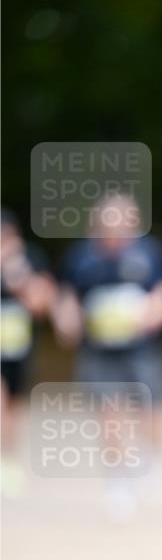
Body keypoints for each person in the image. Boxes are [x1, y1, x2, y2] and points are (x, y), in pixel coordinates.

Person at [52, 193, 162, 517]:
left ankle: (148, 460)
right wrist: (66, 318)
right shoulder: (81, 258)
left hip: (142, 349)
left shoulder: (150, 254)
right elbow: (65, 296)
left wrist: (157, 311)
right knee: (110, 417)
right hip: (99, 351)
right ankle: (118, 481)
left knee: (151, 412)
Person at [1, 208, 56, 497]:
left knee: (13, 406)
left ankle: (8, 458)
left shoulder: (30, 260)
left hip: (18, 348)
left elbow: (41, 304)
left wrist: (19, 280)